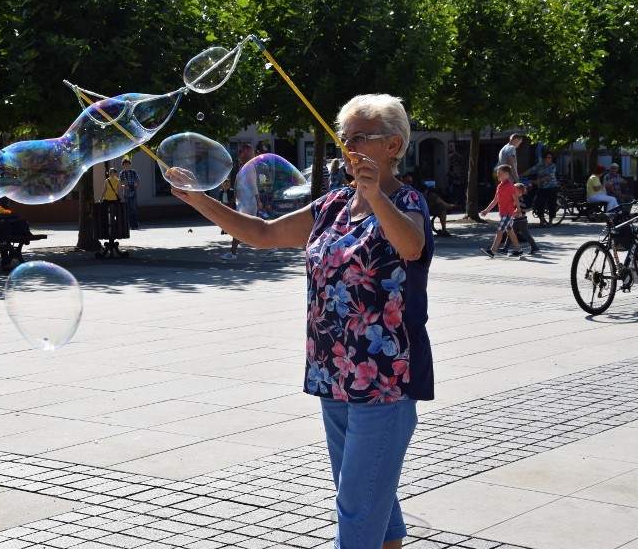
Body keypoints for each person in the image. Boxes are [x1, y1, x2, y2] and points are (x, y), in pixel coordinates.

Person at [170, 93, 434, 549]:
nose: (347, 147)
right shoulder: (331, 206)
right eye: (343, 138)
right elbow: (263, 234)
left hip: (385, 377)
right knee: (372, 500)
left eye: (359, 138)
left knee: (357, 504)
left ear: (393, 145)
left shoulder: (408, 201)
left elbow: (411, 246)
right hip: (332, 371)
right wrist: (200, 201)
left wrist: (375, 196)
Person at [221, 142, 255, 260]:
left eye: (240, 151)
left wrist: (258, 200)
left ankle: (233, 253)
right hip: (244, 201)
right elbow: (239, 185)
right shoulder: (244, 166)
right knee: (244, 227)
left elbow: (253, 185)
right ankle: (233, 252)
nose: (238, 154)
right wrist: (234, 198)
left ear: (246, 152)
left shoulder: (249, 167)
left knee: (240, 226)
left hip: (248, 202)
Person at [481, 165, 523, 257]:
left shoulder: (509, 185)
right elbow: (495, 200)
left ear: (506, 174)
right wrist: (486, 210)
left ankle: (493, 250)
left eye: (499, 173)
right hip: (503, 213)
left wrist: (518, 209)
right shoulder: (500, 186)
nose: (497, 175)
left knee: (499, 231)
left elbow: (515, 198)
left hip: (508, 214)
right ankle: (518, 250)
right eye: (497, 173)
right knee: (511, 232)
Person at [501, 183, 540, 254]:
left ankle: (534, 247)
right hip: (516, 221)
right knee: (511, 235)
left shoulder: (519, 200)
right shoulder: (515, 199)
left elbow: (521, 209)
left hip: (521, 221)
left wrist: (512, 214)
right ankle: (505, 249)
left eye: (514, 190)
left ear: (520, 193)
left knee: (526, 235)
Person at [525, 151, 559, 226]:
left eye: (551, 157)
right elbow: (530, 171)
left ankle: (550, 221)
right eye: (548, 157)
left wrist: (538, 181)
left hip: (552, 187)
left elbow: (549, 177)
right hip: (542, 188)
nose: (550, 159)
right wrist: (519, 175)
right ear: (544, 158)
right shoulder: (539, 166)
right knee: (539, 203)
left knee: (552, 204)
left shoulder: (553, 165)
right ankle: (542, 220)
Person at [119, 158, 140, 229]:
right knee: (128, 209)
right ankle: (131, 225)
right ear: (123, 165)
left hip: (133, 192)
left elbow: (138, 180)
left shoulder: (133, 172)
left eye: (127, 164)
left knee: (134, 209)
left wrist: (135, 186)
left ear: (130, 164)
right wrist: (124, 187)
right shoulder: (122, 173)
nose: (126, 165)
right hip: (126, 193)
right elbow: (121, 184)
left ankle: (135, 223)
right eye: (125, 164)